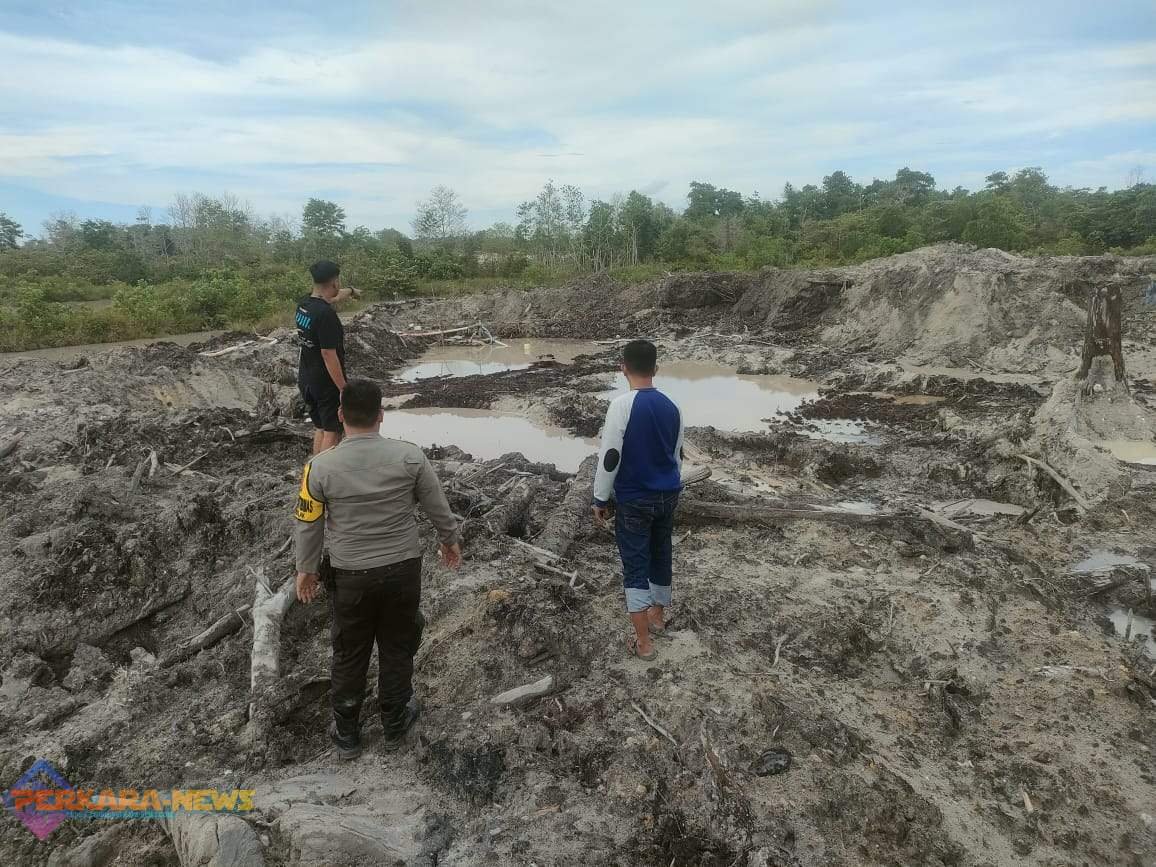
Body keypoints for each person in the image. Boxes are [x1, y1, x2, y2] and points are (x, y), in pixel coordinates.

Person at [293, 379, 462, 758]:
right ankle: (394, 722)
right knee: (397, 645)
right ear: (381, 415)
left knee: (349, 651)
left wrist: (306, 569)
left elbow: (308, 523)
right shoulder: (410, 457)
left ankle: (347, 734)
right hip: (402, 570)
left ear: (340, 415)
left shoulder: (318, 467)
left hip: (350, 576)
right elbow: (437, 505)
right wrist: (449, 539)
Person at [592, 339, 684, 661]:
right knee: (661, 553)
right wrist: (670, 487)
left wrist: (600, 497)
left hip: (634, 500)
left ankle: (643, 643)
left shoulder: (621, 405)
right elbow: (677, 455)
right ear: (655, 369)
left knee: (635, 565)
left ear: (623, 368)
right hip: (667, 495)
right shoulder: (673, 406)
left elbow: (610, 457)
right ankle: (657, 617)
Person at [296, 260, 356, 454]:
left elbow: (333, 297)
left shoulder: (305, 304)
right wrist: (343, 388)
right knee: (333, 432)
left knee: (321, 427)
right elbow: (328, 354)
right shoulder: (326, 315)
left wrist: (352, 291)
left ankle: (313, 469)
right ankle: (322, 472)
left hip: (306, 378)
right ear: (335, 282)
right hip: (326, 382)